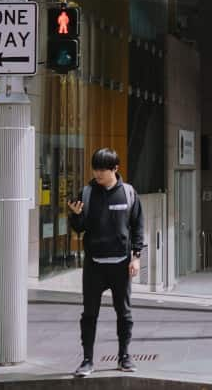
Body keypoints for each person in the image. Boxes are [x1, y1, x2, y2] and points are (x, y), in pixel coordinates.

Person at [67, 148, 144, 378]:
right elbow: (79, 228)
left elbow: (138, 226)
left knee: (124, 313)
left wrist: (137, 257)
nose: (98, 173)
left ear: (115, 169)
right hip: (94, 265)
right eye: (95, 168)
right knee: (89, 314)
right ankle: (87, 360)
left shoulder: (129, 193)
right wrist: (75, 216)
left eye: (103, 169)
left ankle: (124, 356)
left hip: (121, 264)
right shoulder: (87, 192)